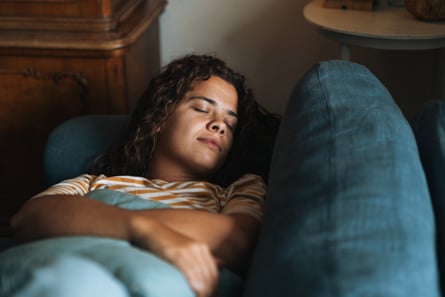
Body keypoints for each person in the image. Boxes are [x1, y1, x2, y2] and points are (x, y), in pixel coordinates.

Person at [8, 54, 275, 297]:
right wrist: (147, 232)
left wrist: (101, 222)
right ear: (159, 118)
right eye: (202, 109)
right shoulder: (95, 182)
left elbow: (237, 240)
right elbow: (29, 218)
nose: (219, 125)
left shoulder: (237, 189)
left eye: (230, 123)